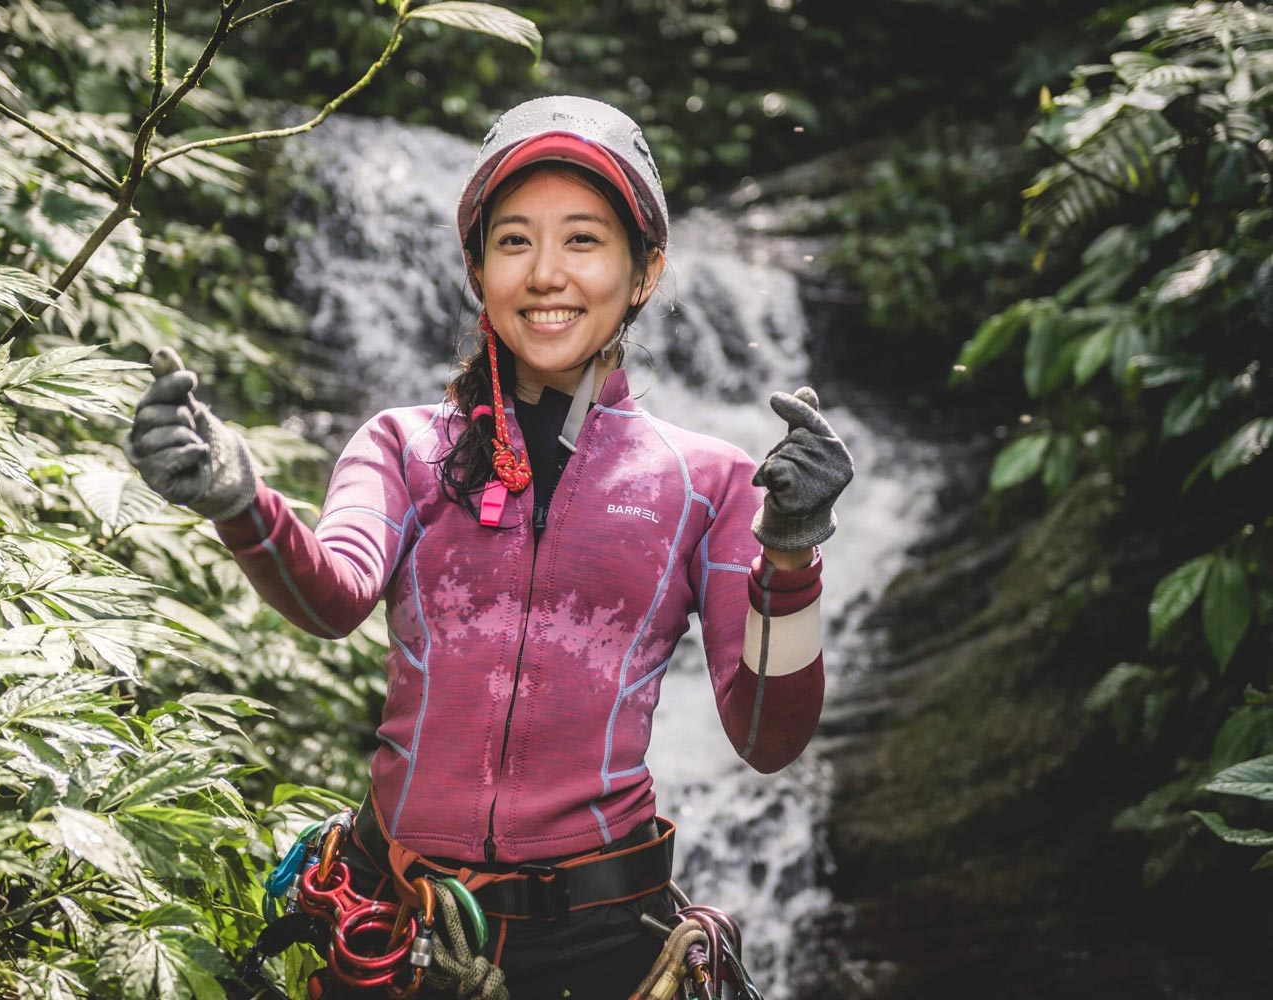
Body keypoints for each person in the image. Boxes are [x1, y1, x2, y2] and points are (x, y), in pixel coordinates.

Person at [125, 95, 854, 999]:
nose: (545, 273)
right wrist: (240, 501)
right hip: (394, 929)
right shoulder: (401, 445)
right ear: (476, 270)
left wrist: (788, 561)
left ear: (645, 270)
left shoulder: (708, 482)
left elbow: (764, 735)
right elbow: (333, 595)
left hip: (601, 947)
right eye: (514, 242)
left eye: (582, 240)